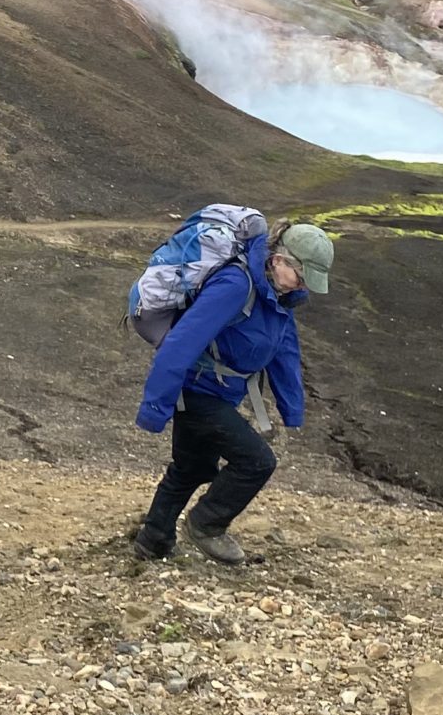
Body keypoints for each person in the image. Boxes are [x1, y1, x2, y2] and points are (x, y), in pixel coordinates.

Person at [132, 222, 331, 566]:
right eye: (301, 275)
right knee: (257, 462)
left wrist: (292, 408)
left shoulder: (277, 296)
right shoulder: (236, 285)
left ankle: (153, 541)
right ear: (279, 259)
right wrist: (154, 407)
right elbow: (184, 341)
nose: (303, 285)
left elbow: (284, 350)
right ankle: (206, 525)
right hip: (197, 391)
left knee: (191, 467)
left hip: (221, 393)